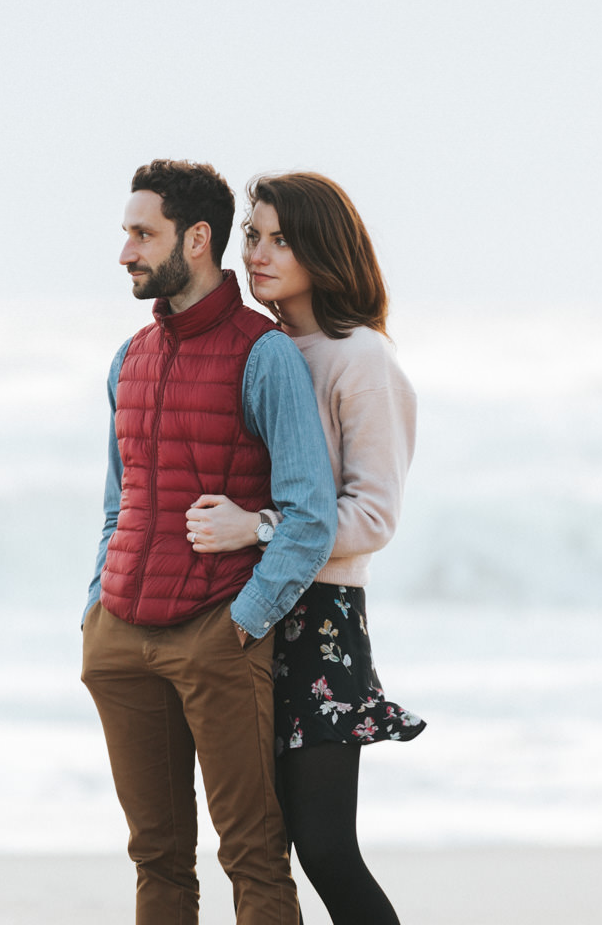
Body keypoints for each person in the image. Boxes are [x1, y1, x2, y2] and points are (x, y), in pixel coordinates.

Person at [81, 159, 338, 925]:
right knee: (155, 858)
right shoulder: (129, 358)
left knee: (253, 856)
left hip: (215, 633)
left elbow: (311, 516)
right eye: (125, 233)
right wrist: (98, 605)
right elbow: (116, 503)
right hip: (122, 639)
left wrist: (241, 626)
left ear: (196, 239)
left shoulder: (266, 357)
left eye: (140, 233)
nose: (125, 251)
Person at [185, 171, 425, 925]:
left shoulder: (362, 361)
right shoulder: (266, 350)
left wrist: (258, 528)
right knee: (262, 844)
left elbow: (375, 517)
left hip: (320, 621)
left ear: (324, 249)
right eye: (253, 235)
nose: (257, 253)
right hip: (247, 614)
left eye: (281, 238)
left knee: (325, 846)